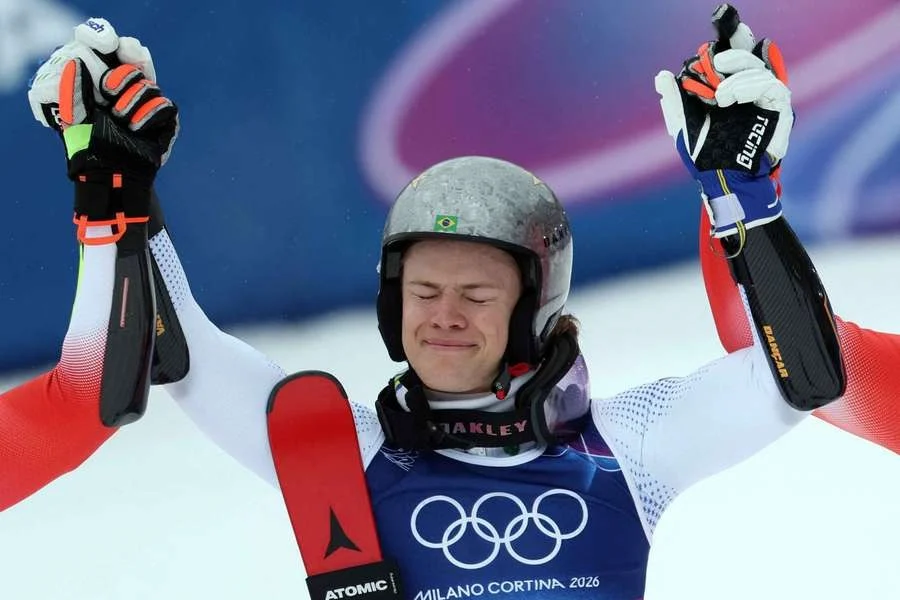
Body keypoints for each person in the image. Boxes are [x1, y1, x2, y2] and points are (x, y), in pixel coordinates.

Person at [0, 10, 897, 599]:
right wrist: (123, 196)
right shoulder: (334, 447)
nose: (444, 315)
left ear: (537, 308)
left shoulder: (631, 446)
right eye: (422, 292)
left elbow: (804, 379)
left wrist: (746, 203)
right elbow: (177, 355)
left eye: (476, 293)